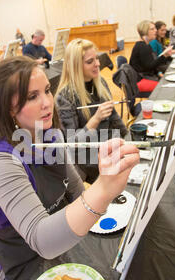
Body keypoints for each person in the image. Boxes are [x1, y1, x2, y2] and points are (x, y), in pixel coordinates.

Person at [0, 55, 139, 280]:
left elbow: (74, 188)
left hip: (49, 239)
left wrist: (99, 197)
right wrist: (103, 189)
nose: (47, 103)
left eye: (47, 91)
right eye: (32, 96)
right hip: (16, 263)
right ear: (8, 108)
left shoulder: (48, 133)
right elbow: (44, 241)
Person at [55, 38, 128, 184]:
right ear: (75, 66)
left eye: (97, 58)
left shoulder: (99, 82)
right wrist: (96, 119)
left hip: (108, 147)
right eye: (90, 61)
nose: (98, 64)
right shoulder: (65, 97)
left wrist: (129, 140)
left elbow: (115, 120)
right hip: (88, 157)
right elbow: (73, 143)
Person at [129, 20, 175, 92]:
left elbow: (150, 65)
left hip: (144, 76)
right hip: (140, 79)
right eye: (152, 29)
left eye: (155, 28)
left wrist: (159, 73)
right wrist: (164, 55)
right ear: (145, 31)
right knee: (168, 88)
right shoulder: (142, 46)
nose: (155, 31)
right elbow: (149, 66)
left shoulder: (145, 44)